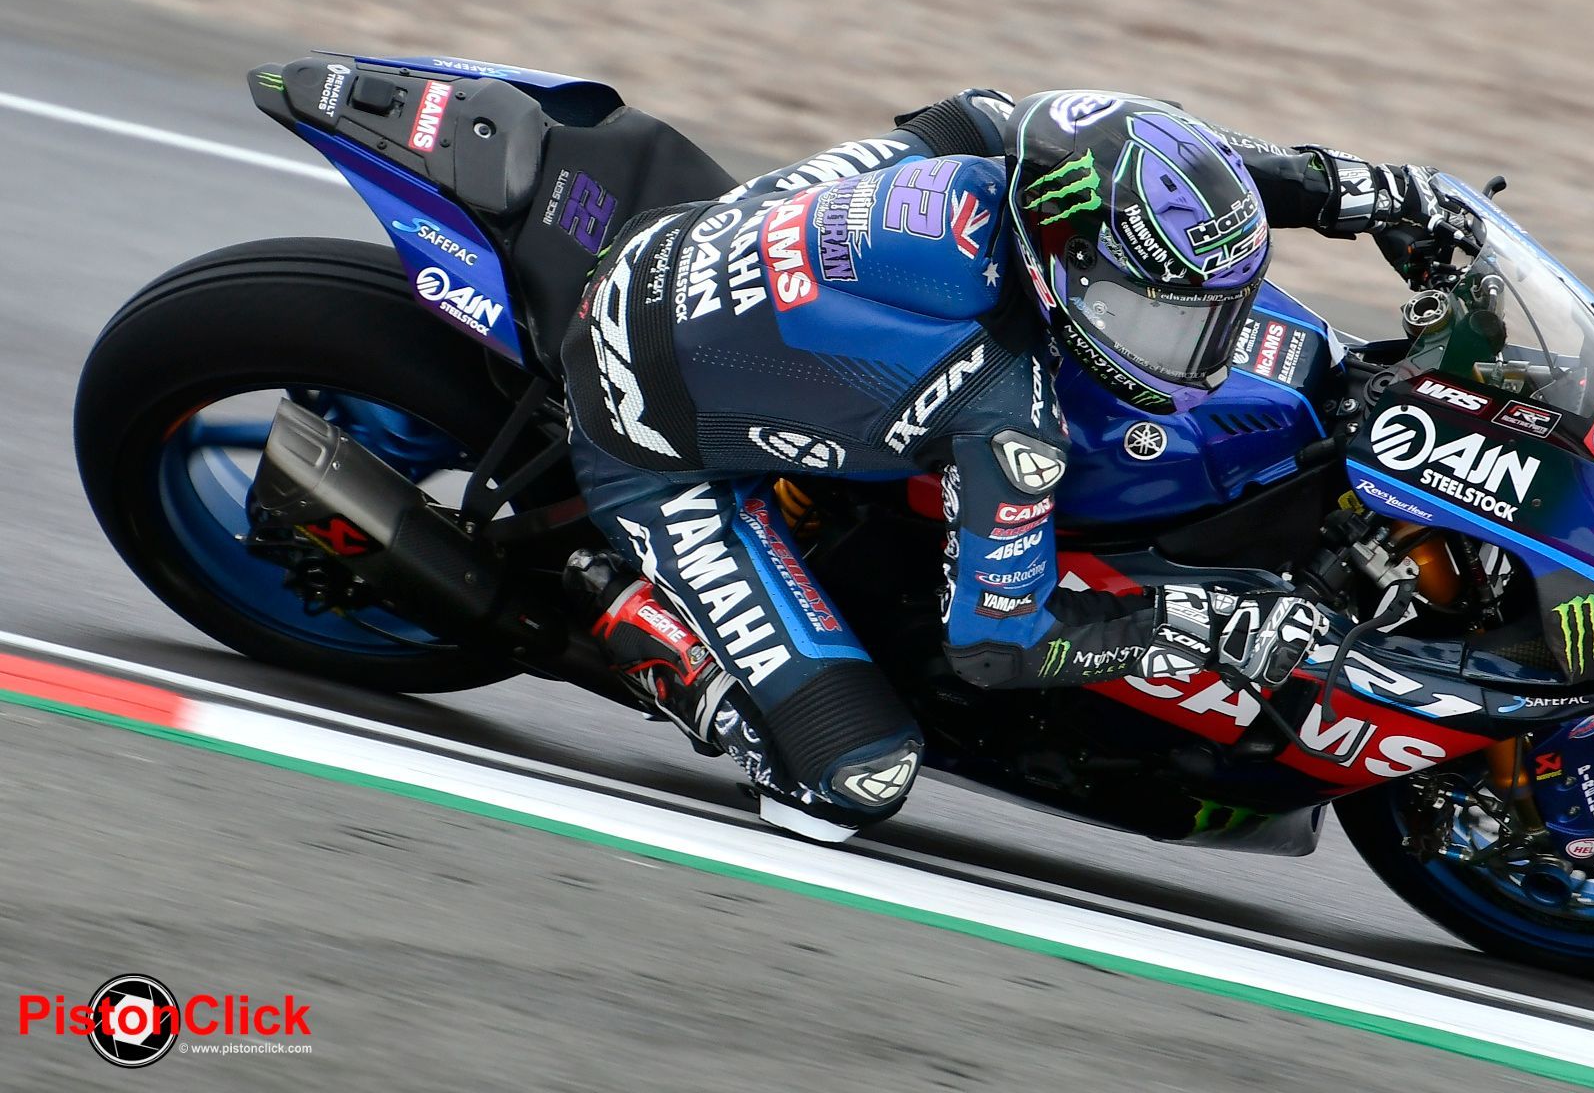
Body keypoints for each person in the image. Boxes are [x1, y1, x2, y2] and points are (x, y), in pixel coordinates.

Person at [561, 88, 1471, 840]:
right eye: (1160, 317)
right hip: (655, 446)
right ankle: (611, 603)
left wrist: (1349, 188)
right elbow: (998, 647)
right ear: (1066, 262)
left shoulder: (1021, 145)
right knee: (852, 780)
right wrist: (1202, 622)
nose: (1198, 352)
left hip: (705, 243)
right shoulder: (1002, 405)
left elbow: (1157, 166)